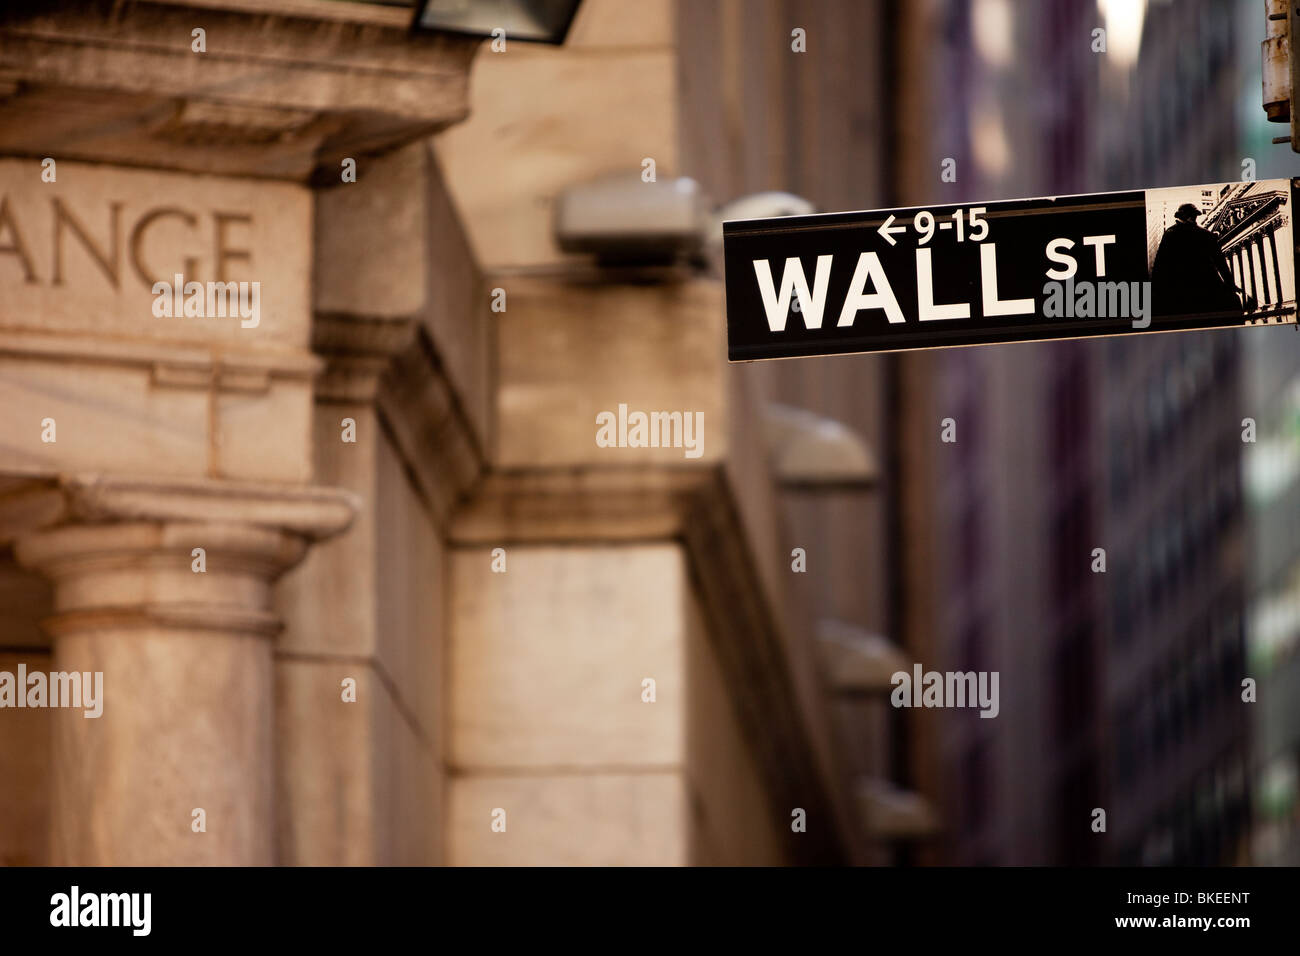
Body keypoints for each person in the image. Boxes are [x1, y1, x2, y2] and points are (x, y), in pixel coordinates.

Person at [1150, 203, 1245, 318]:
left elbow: (1160, 265)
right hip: (1202, 286)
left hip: (1186, 287)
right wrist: (1230, 284)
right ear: (1182, 215)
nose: (1193, 217)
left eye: (1194, 215)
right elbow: (1220, 262)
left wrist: (1231, 284)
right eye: (1191, 215)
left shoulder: (1172, 234)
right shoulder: (1204, 234)